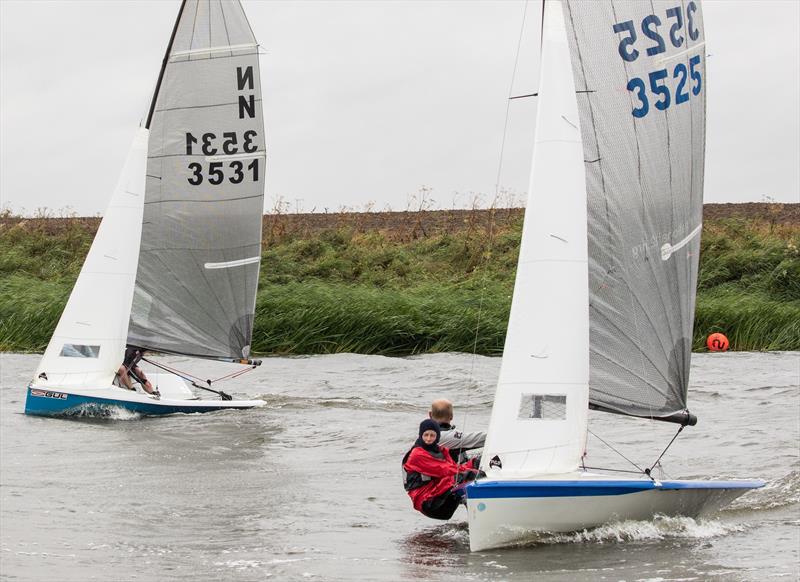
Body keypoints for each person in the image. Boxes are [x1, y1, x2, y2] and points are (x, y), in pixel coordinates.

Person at [402, 419, 480, 520]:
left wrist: (473, 463)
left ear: (437, 437)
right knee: (469, 475)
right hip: (429, 503)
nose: (429, 439)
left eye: (432, 435)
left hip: (438, 495)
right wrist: (471, 470)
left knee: (472, 469)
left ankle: (476, 516)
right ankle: (479, 516)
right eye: (426, 435)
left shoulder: (441, 451)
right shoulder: (417, 454)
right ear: (421, 435)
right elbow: (445, 469)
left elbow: (453, 467)